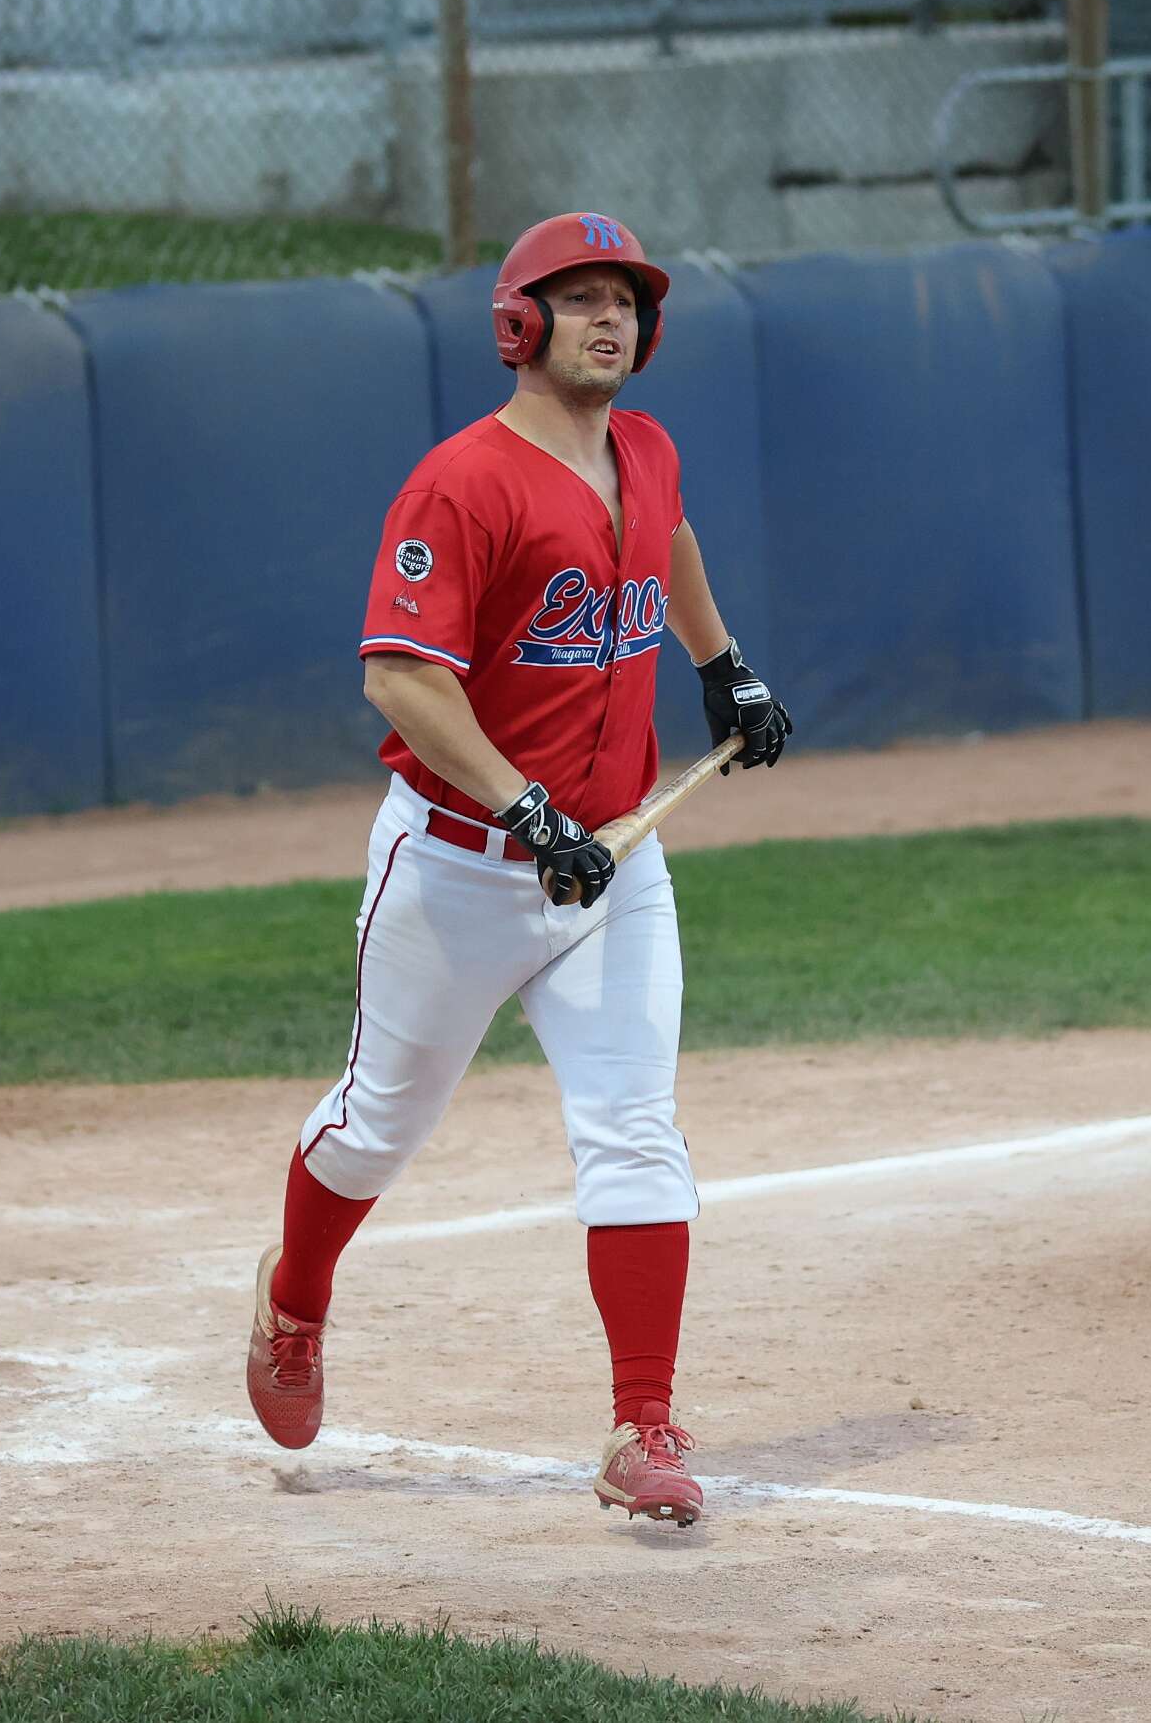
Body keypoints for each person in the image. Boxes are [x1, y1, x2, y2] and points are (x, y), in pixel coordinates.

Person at [244, 210, 793, 1526]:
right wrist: (526, 806)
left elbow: (669, 541)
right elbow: (398, 677)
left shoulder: (645, 450)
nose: (611, 317)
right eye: (581, 296)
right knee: (378, 1125)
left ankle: (642, 1424)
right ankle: (295, 1300)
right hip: (459, 868)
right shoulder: (463, 484)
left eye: (627, 300)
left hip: (616, 861)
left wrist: (722, 664)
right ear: (519, 323)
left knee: (635, 1129)